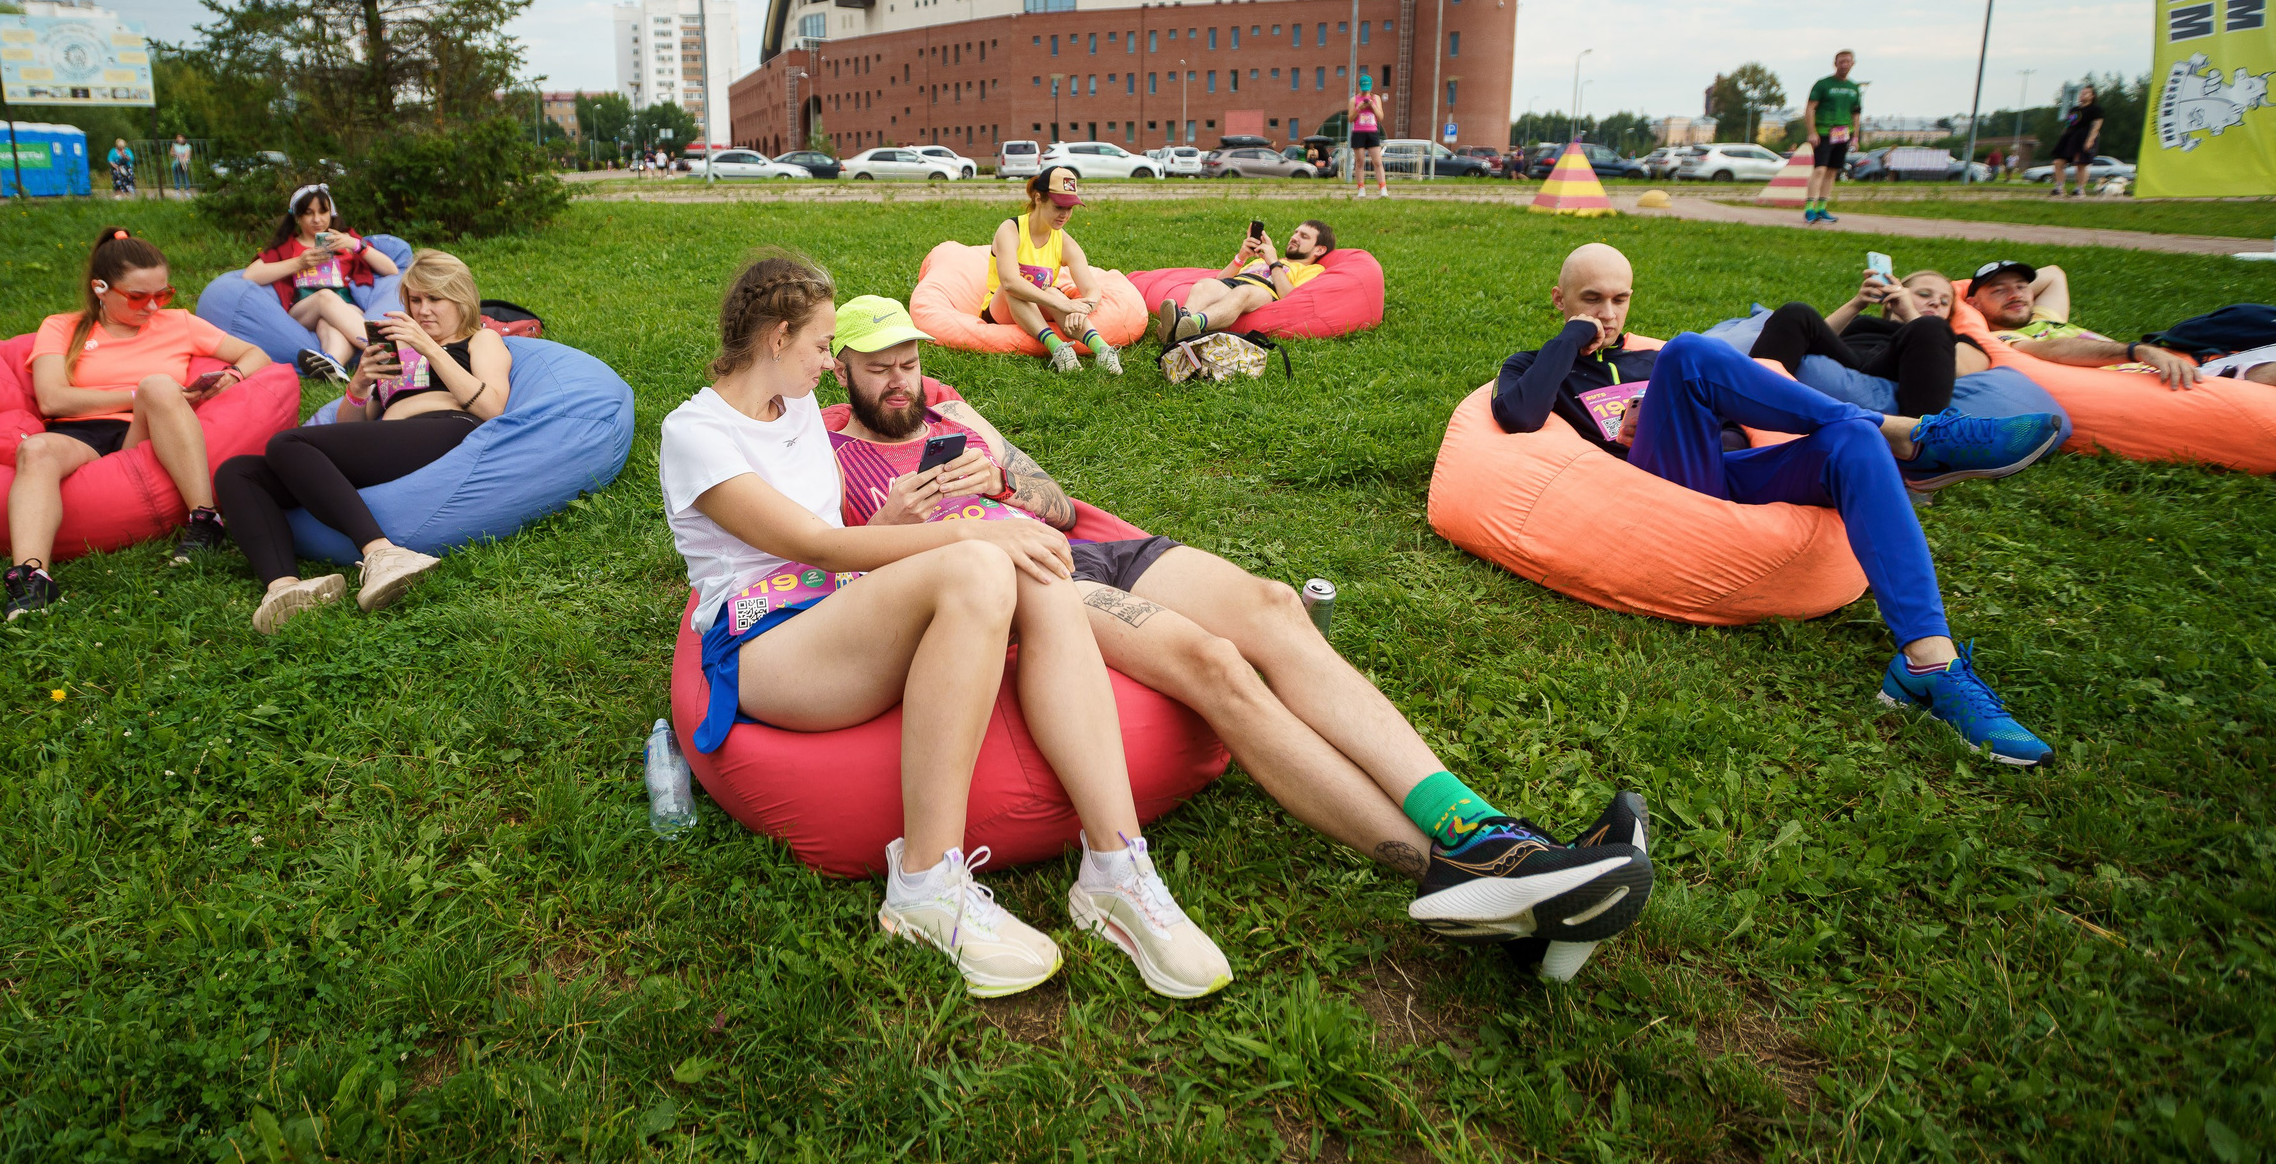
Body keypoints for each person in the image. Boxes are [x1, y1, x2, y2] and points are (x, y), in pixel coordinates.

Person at [825, 295, 1655, 982]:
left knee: (1271, 607)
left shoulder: (953, 411)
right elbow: (849, 587)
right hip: (1032, 589)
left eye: (909, 363)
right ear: (842, 372)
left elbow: (1063, 504)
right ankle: (1450, 876)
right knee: (1214, 663)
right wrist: (900, 521)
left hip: (1087, 549)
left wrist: (1004, 476)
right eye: (879, 369)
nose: (901, 383)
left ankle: (1488, 832)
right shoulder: (829, 459)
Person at [661, 255, 1228, 1001]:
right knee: (984, 563)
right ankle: (925, 881)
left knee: (1035, 569)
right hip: (765, 642)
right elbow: (818, 545)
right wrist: (974, 538)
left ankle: (1117, 867)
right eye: (824, 345)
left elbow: (845, 532)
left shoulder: (793, 405)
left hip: (839, 606)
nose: (831, 362)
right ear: (776, 337)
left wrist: (964, 517)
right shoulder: (694, 432)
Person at [1493, 243, 2063, 766]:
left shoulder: (1650, 360)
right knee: (1693, 352)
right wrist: (1572, 339)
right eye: (1592, 299)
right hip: (1651, 491)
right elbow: (1518, 415)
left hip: (1718, 474)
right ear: (1561, 299)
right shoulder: (1536, 364)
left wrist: (1672, 415)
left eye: (1619, 299)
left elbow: (1736, 430)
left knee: (1851, 444)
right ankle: (1910, 436)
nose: (1609, 314)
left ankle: (1926, 663)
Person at [214, 251, 506, 633]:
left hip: (445, 427)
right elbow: (353, 424)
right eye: (415, 301)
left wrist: (431, 348)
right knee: (236, 471)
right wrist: (359, 385)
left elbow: (491, 406)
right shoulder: (401, 353)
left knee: (286, 444)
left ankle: (382, 553)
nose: (423, 311)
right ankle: (285, 588)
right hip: (390, 440)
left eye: (435, 299)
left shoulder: (479, 340)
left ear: (461, 299)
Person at [4, 227, 270, 621]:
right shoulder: (62, 326)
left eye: (162, 294)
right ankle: (31, 577)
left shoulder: (179, 322)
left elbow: (255, 353)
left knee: (158, 386)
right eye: (138, 296)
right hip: (81, 432)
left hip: (149, 426)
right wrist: (132, 392)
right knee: (34, 449)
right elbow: (52, 398)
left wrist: (230, 376)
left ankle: (205, 520)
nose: (152, 308)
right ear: (100, 288)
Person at [1965, 261, 2276, 432]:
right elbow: (2042, 351)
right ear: (1976, 305)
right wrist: (2137, 350)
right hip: (2181, 378)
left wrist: (1992, 287)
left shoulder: (2047, 316)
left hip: (2195, 361)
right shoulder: (2001, 338)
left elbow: (2056, 272)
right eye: (1999, 290)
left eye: (2020, 286)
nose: (2015, 293)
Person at [1750, 266, 1990, 418]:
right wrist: (1856, 304)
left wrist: (1911, 316)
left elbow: (1960, 369)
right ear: (1894, 294)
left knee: (1929, 327)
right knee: (1796, 311)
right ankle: (1740, 420)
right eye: (1924, 294)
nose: (1936, 303)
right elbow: (1809, 336)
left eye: (1945, 302)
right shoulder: (1862, 322)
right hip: (1848, 358)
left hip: (1893, 365)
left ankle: (1918, 452)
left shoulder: (1946, 335)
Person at [240, 183, 398, 381]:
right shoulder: (289, 246)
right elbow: (250, 275)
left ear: (331, 213)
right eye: (308, 213)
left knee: (330, 322)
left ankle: (333, 364)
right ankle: (389, 355)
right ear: (297, 217)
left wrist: (355, 244)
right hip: (305, 308)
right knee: (325, 297)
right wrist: (299, 263)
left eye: (323, 212)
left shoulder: (345, 240)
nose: (317, 219)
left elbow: (391, 269)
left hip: (345, 304)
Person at [986, 166, 1122, 375]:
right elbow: (1010, 282)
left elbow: (1092, 290)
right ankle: (1058, 349)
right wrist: (1063, 304)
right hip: (1001, 307)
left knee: (1051, 291)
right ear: (1039, 199)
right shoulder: (1011, 229)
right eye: (1059, 207)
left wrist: (1082, 308)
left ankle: (1103, 350)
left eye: (1070, 208)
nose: (1065, 215)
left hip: (1039, 306)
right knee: (1020, 288)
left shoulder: (1064, 241)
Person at [1153, 217, 1334, 348]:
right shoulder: (1261, 259)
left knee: (1243, 292)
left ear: (1319, 249)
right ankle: (1182, 321)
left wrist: (1273, 262)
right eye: (1295, 232)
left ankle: (1192, 323)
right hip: (1236, 282)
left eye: (1304, 236)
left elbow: (1289, 297)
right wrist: (1242, 257)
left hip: (1264, 291)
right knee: (1205, 284)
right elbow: (1220, 281)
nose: (1294, 237)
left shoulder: (1312, 269)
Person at [1802, 50, 1863, 225]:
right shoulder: (1823, 84)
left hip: (1844, 133)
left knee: (1832, 171)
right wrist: (1812, 132)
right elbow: (1809, 108)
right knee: (1820, 169)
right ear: (1835, 63)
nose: (1844, 64)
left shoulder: (1854, 88)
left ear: (1853, 64)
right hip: (1824, 132)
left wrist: (1855, 137)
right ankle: (1809, 209)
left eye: (1848, 61)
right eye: (1841, 61)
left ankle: (1822, 207)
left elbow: (1856, 114)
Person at [2050, 87, 2105, 198]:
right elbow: (2069, 123)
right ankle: (2059, 187)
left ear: (2092, 95)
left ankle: (2079, 189)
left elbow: (2097, 125)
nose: (2082, 95)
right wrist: (2064, 135)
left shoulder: (2095, 109)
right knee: (2058, 162)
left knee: (2081, 163)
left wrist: (2090, 140)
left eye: (2086, 93)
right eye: (2082, 93)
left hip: (2084, 136)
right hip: (2070, 136)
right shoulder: (2074, 109)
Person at [1348, 72, 1388, 198]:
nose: (1365, 92)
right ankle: (1361, 188)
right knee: (1360, 161)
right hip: (1359, 132)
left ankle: (1383, 188)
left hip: (1372, 132)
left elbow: (1380, 117)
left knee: (1377, 161)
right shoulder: (1354, 100)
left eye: (1367, 88)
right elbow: (1350, 118)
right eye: (1363, 89)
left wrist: (1372, 106)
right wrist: (1359, 108)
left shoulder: (1376, 98)